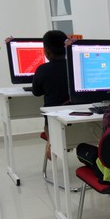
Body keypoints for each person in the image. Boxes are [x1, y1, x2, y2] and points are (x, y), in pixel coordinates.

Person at [31, 30, 70, 159]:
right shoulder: (74, 66)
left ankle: (51, 139)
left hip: (54, 120)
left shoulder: (42, 69)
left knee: (48, 122)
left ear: (46, 52)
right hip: (76, 119)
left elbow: (36, 92)